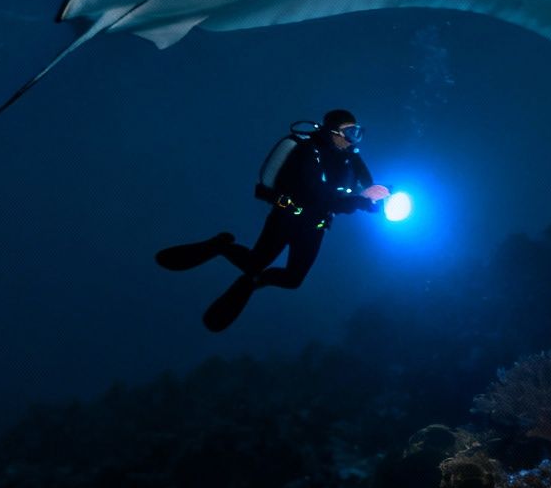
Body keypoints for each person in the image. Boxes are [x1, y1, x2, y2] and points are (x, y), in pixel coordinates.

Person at [156, 109, 391, 332]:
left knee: (293, 279)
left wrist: (378, 199)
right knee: (254, 262)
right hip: (287, 217)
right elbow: (318, 196)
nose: (353, 139)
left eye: (358, 133)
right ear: (333, 130)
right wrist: (360, 202)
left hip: (315, 226)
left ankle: (255, 281)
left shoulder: (351, 158)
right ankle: (221, 246)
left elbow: (367, 189)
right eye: (350, 132)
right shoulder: (309, 151)